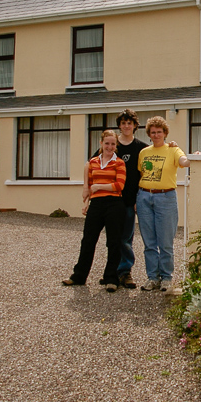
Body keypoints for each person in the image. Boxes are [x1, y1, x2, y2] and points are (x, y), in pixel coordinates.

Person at [63, 130, 126, 292]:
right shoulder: (93, 162)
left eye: (113, 144)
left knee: (114, 242)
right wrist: (87, 204)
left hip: (114, 204)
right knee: (88, 240)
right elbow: (89, 185)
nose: (110, 147)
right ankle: (79, 276)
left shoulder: (119, 163)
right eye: (107, 143)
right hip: (96, 204)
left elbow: (119, 186)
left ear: (116, 145)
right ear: (101, 144)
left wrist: (99, 186)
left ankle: (111, 278)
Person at [91, 109, 147, 289]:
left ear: (135, 125)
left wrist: (140, 198)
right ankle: (112, 273)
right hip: (109, 201)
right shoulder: (112, 144)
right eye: (123, 123)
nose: (126, 126)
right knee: (113, 239)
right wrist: (87, 189)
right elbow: (91, 164)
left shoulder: (141, 148)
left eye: (129, 123)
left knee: (125, 238)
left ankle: (125, 272)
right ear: (119, 125)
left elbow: (144, 174)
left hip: (130, 200)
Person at [136, 116, 192, 292]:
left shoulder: (173, 150)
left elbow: (184, 162)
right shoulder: (144, 152)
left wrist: (195, 157)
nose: (156, 134)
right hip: (144, 197)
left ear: (165, 133)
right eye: (153, 132)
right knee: (149, 242)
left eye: (159, 131)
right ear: (149, 134)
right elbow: (140, 174)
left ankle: (167, 278)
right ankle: (152, 277)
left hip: (166, 198)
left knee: (166, 241)